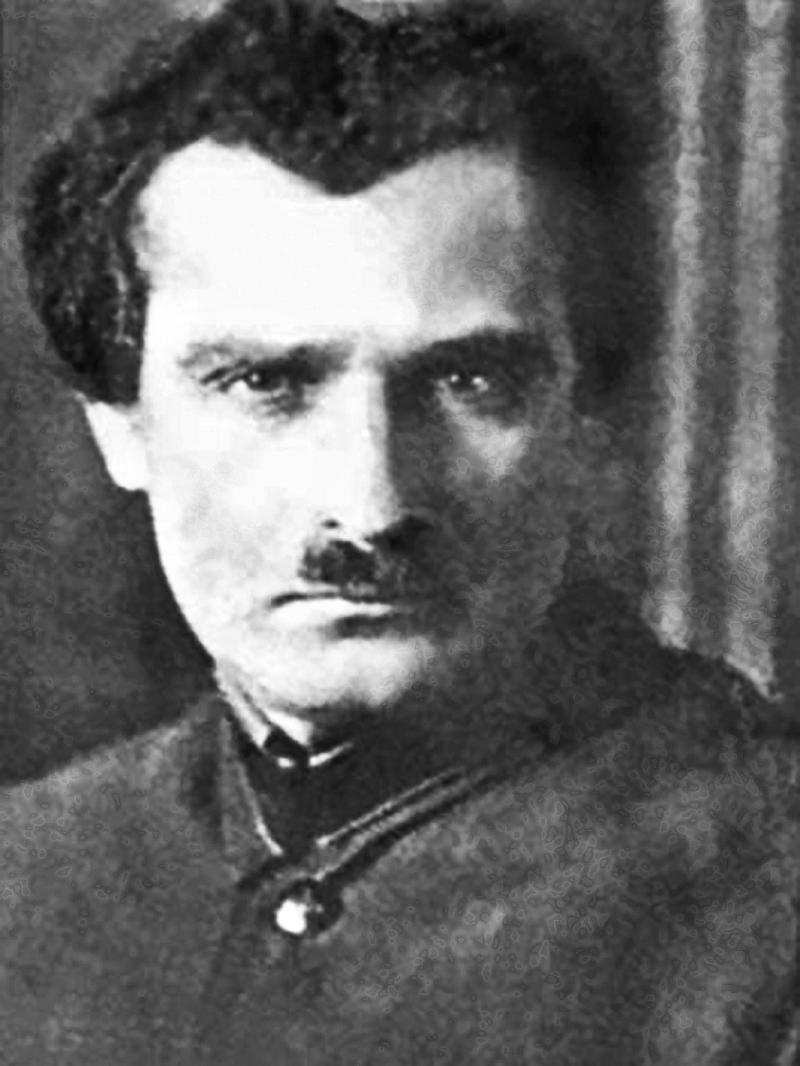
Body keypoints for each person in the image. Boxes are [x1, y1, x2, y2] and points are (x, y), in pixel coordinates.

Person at [2, 1, 797, 1063]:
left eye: (469, 382)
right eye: (265, 383)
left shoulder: (770, 888)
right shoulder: (28, 875)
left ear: (587, 418)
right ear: (120, 427)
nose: (371, 506)